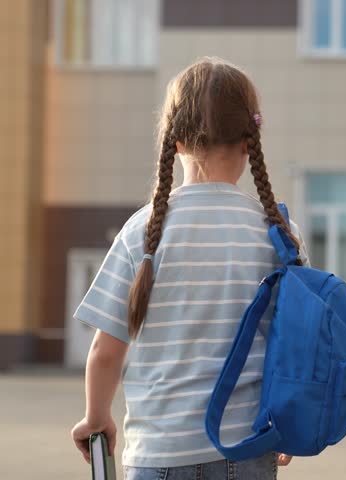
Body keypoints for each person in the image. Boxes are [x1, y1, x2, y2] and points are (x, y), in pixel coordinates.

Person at [70, 57, 309, 479]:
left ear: (174, 143)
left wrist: (96, 417)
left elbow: (106, 353)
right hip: (247, 448)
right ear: (247, 141)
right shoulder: (278, 232)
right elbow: (293, 345)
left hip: (157, 453)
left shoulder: (142, 232)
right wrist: (288, 422)